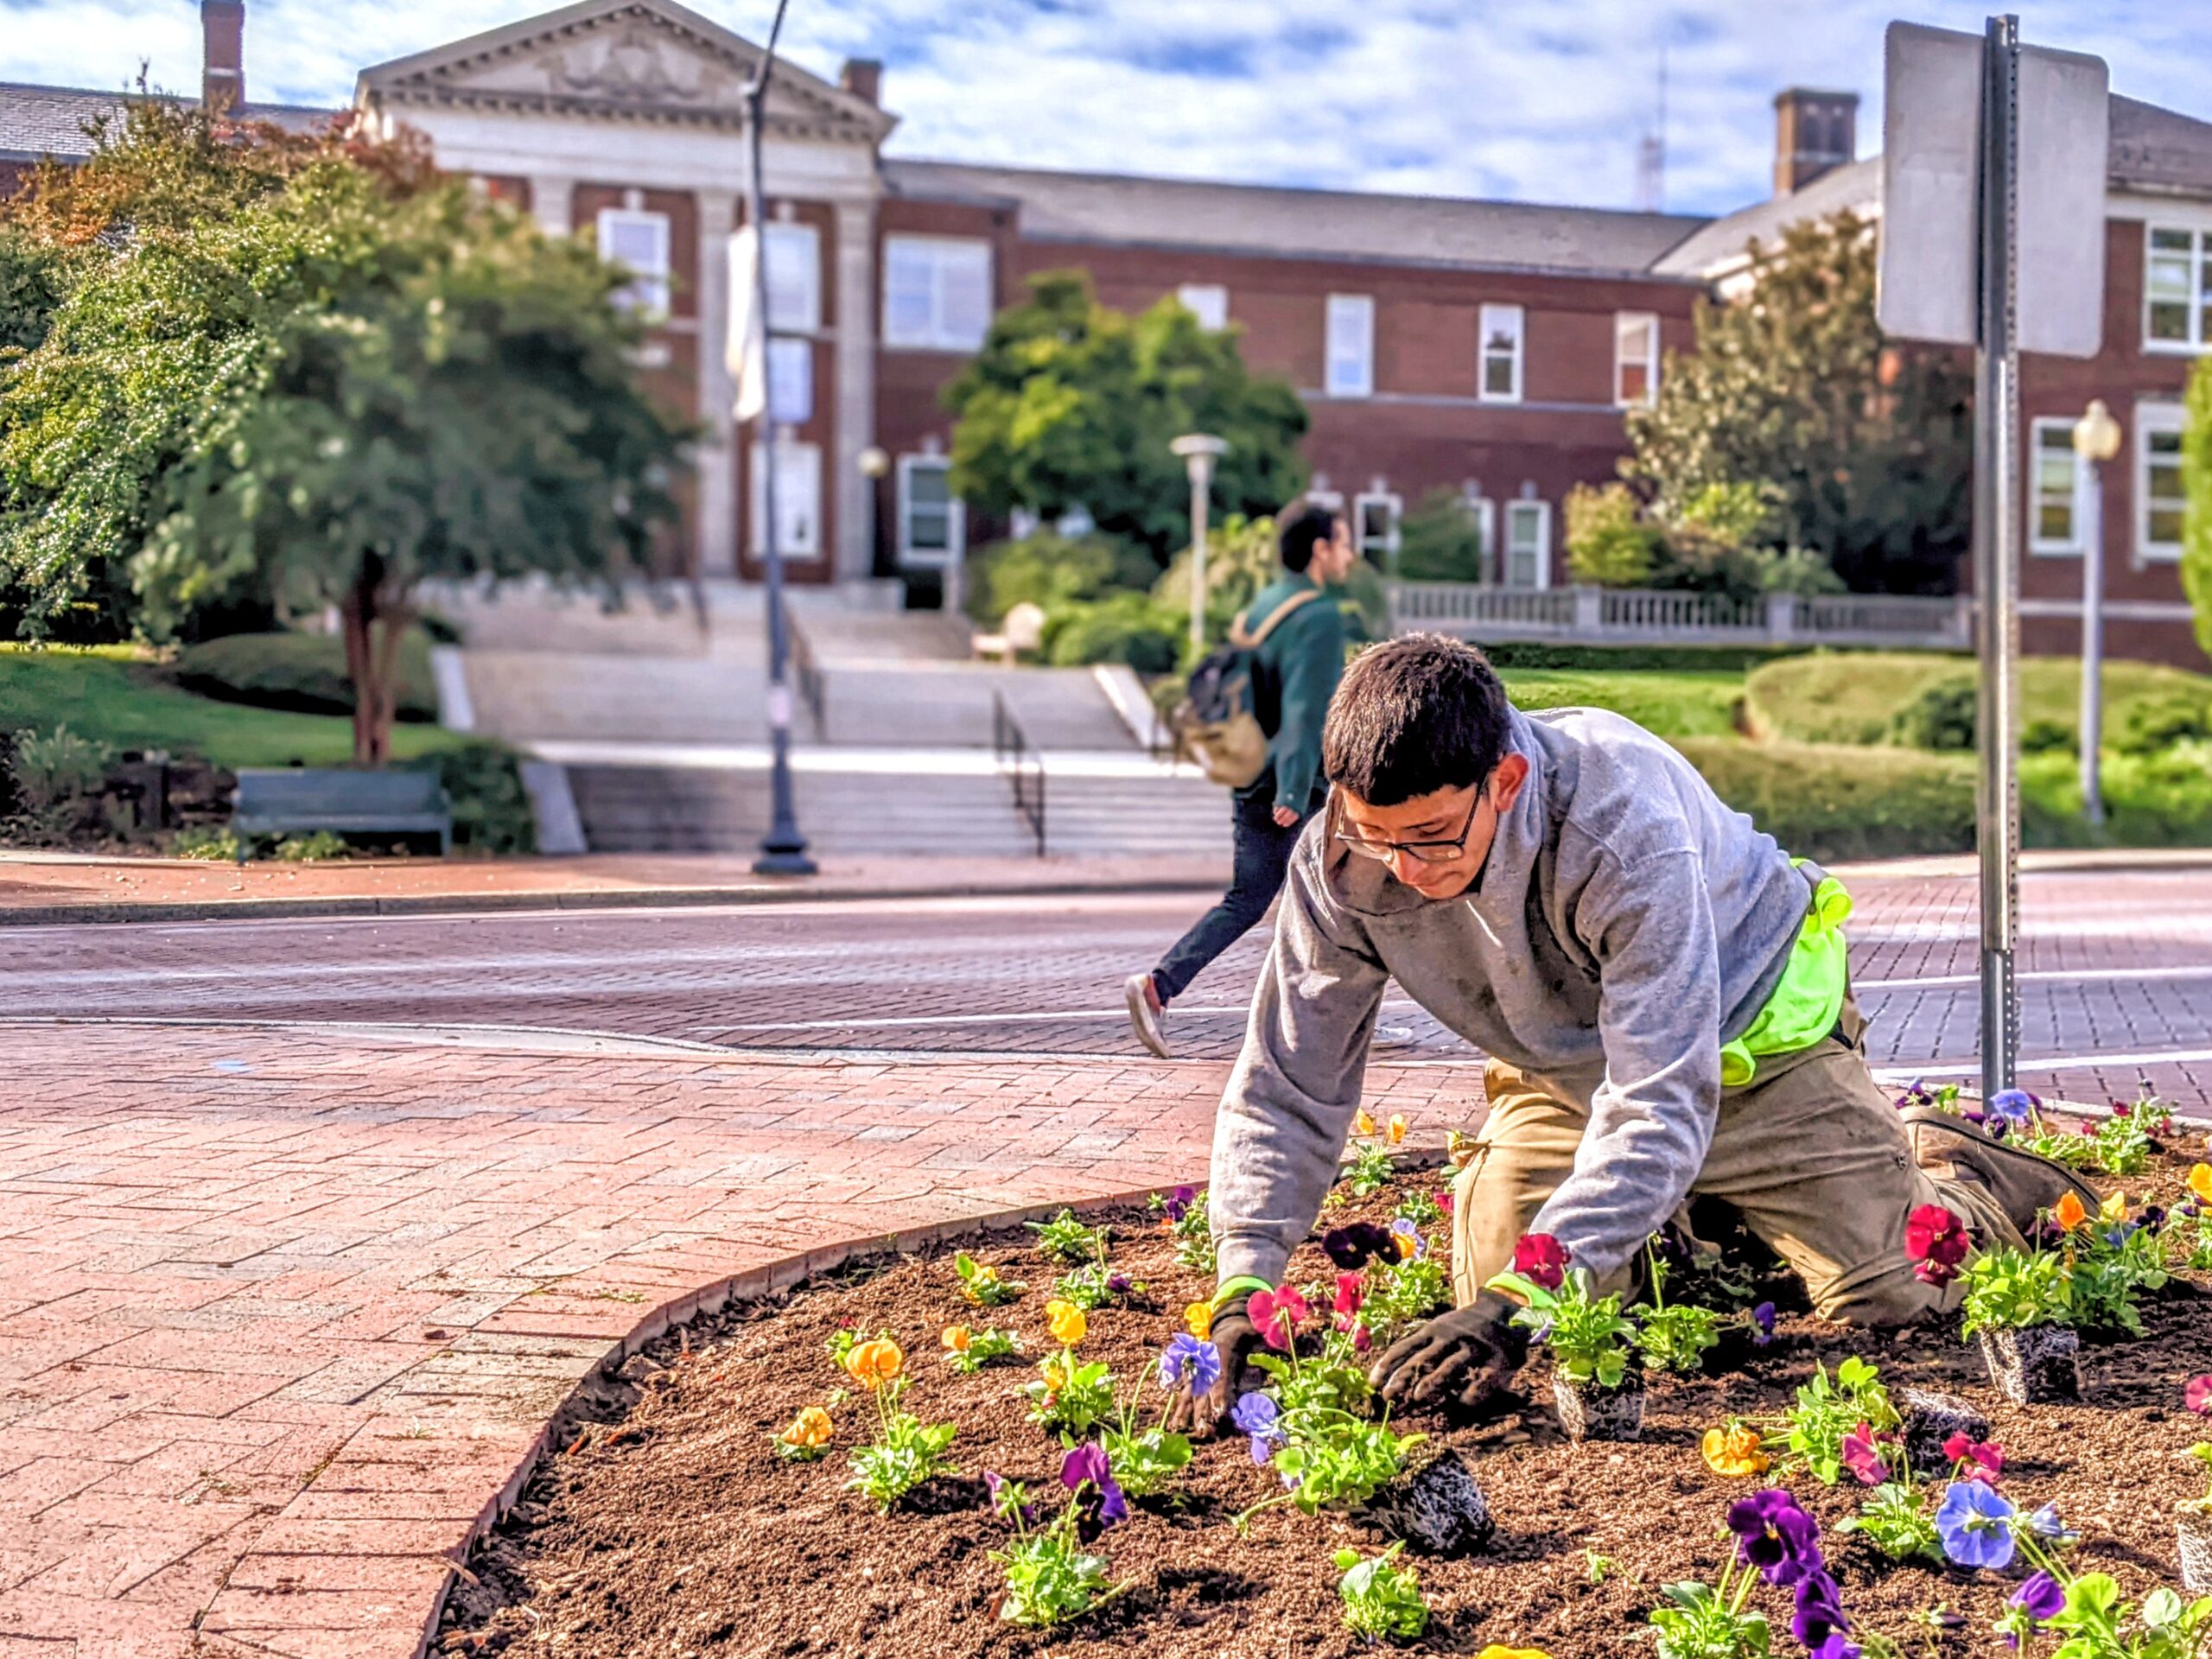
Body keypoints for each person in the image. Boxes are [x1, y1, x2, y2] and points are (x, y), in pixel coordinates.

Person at [1171, 633, 2097, 1428]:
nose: (1401, 870)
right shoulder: (1344, 862)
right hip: (1569, 1078)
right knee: (1496, 1304)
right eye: (1378, 837)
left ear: (1506, 780)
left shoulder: (1622, 830)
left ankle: (1956, 1168)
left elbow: (1661, 1098)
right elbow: (1288, 1084)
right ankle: (1681, 1217)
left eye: (1433, 837)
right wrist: (1242, 1289)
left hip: (1754, 1053)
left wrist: (1523, 1300)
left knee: (1901, 1294)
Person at [1125, 501, 1357, 1058]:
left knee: (1251, 898)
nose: (1351, 554)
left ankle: (1158, 988)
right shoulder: (1319, 616)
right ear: (1320, 550)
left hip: (1249, 772)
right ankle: (1328, 1028)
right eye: (1344, 542)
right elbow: (1305, 710)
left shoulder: (1263, 607)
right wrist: (1294, 791)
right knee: (1353, 901)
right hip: (1294, 786)